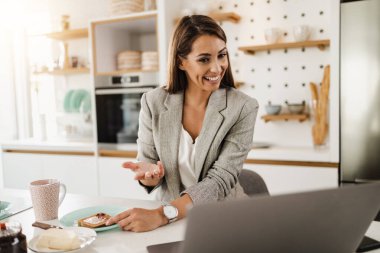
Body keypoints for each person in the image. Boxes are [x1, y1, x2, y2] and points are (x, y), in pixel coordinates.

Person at [106, 15, 259, 232]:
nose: (217, 68)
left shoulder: (243, 107)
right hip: (171, 222)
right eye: (204, 59)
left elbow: (220, 180)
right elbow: (148, 165)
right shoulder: (153, 102)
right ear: (181, 61)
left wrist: (163, 214)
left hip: (225, 217)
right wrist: (150, 177)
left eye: (222, 55)